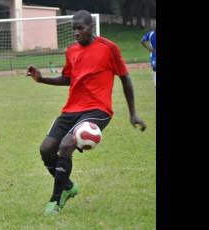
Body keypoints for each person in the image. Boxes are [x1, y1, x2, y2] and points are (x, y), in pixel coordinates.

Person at [26, 10, 147, 215]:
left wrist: (133, 113)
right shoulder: (71, 51)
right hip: (72, 108)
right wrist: (41, 78)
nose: (76, 32)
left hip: (99, 109)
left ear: (91, 27)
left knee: (66, 145)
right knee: (46, 149)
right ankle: (68, 187)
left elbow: (125, 79)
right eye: (74, 29)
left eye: (80, 28)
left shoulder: (109, 48)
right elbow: (68, 79)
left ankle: (55, 200)